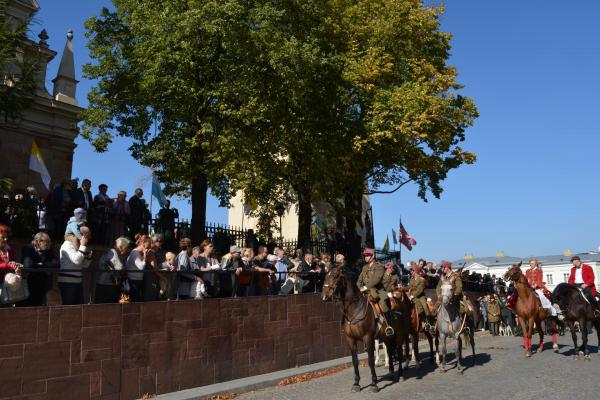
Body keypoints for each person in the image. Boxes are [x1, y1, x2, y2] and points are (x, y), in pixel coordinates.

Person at [357, 248, 394, 336]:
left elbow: (376, 280)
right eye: (365, 256)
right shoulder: (364, 267)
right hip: (365, 291)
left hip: (377, 291)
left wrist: (365, 287)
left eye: (368, 255)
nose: (366, 257)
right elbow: (359, 280)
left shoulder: (379, 266)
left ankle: (389, 326)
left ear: (373, 256)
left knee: (383, 304)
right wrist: (359, 287)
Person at [20, 232, 59, 306]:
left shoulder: (48, 249)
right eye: (46, 242)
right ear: (38, 242)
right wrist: (43, 264)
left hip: (44, 284)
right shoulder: (28, 248)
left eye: (49, 242)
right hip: (30, 284)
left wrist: (42, 264)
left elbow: (57, 264)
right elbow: (28, 265)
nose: (48, 244)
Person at [58, 226, 93, 305]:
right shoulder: (67, 245)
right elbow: (77, 260)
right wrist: (83, 246)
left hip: (78, 282)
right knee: (69, 308)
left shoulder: (78, 245)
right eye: (86, 236)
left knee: (79, 308)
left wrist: (88, 256)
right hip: (68, 283)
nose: (88, 239)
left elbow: (84, 265)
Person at [96, 237, 131, 303]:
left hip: (105, 283)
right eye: (126, 248)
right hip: (108, 285)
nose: (127, 250)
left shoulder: (112, 252)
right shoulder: (113, 253)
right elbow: (120, 268)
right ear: (121, 247)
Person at [126, 234, 153, 302]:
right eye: (149, 245)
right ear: (143, 244)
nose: (150, 247)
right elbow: (141, 267)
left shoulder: (139, 253)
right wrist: (144, 255)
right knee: (135, 302)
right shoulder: (135, 253)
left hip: (138, 280)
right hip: (133, 281)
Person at [408, 262, 433, 331]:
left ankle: (429, 322)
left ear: (416, 271)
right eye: (411, 270)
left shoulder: (421, 279)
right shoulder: (412, 279)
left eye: (412, 270)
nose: (411, 272)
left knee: (425, 306)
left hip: (420, 296)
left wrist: (412, 296)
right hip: (412, 295)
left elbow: (419, 290)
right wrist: (402, 288)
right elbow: (409, 287)